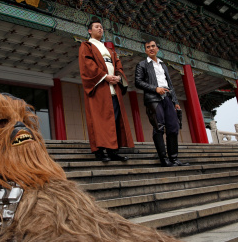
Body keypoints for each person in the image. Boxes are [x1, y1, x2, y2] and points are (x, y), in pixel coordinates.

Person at [78, 21, 134, 162]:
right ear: (89, 31)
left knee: (114, 120)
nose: (100, 29)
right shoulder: (86, 46)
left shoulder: (109, 50)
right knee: (100, 120)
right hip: (99, 88)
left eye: (102, 27)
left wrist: (118, 77)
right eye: (97, 27)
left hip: (113, 89)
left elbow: (118, 64)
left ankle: (113, 151)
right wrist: (105, 76)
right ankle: (100, 151)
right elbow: (88, 65)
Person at [135, 40, 189, 167]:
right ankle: (164, 159)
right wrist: (155, 89)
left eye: (153, 46)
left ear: (157, 48)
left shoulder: (163, 65)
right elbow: (138, 82)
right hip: (153, 98)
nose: (151, 48)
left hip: (167, 98)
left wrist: (175, 101)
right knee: (158, 127)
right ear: (145, 50)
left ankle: (174, 159)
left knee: (173, 127)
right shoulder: (142, 64)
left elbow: (170, 84)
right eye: (148, 47)